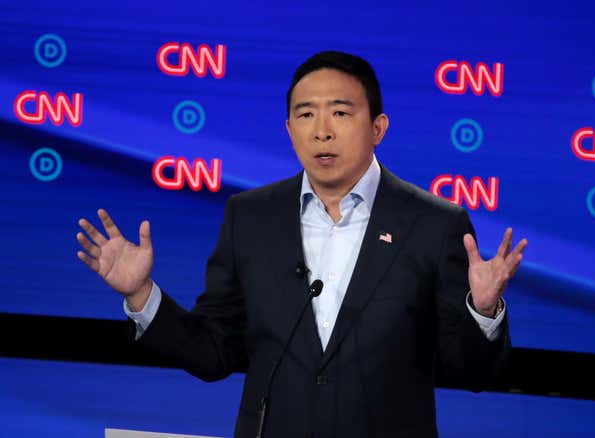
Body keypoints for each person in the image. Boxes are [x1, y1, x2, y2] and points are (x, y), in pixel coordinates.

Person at [76, 51, 527, 438]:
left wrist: (482, 312)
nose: (322, 131)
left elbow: (471, 372)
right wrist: (142, 296)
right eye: (306, 114)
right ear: (289, 128)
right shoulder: (250, 217)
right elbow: (215, 352)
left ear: (378, 127)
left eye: (341, 113)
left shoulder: (434, 224)